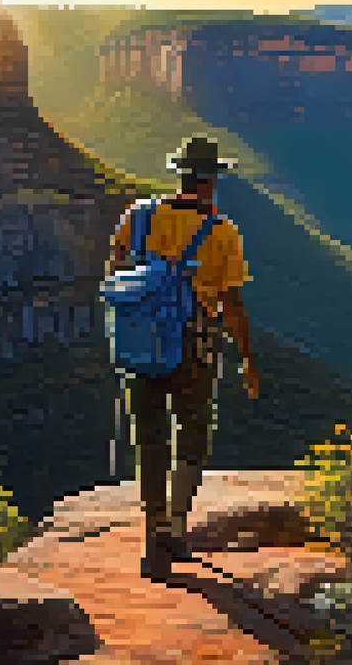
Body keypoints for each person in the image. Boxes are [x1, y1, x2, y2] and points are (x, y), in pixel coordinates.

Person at [104, 136, 260, 581]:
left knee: (149, 437)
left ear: (179, 174)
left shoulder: (137, 216)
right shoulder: (222, 232)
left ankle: (153, 528)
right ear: (211, 181)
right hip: (195, 347)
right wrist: (247, 357)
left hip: (138, 346)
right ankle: (176, 525)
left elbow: (117, 271)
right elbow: (232, 302)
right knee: (192, 431)